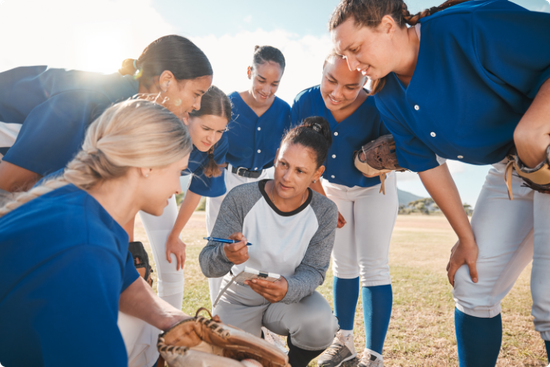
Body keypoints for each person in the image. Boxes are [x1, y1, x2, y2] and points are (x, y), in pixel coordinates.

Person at [329, 0, 550, 366]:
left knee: (547, 300)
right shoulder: (385, 93)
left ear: (387, 25)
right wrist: (465, 238)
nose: (352, 65)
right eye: (343, 55)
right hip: (511, 167)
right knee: (471, 284)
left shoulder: (468, 26)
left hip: (544, 147)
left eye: (355, 49)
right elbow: (428, 165)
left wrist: (532, 128)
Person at [0, 99, 193, 366]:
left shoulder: (81, 207)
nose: (178, 188)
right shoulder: (86, 248)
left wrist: (178, 321)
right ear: (147, 165)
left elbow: (129, 285)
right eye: (178, 172)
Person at [199, 117, 340, 367]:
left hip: (290, 296)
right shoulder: (241, 198)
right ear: (276, 156)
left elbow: (314, 271)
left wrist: (288, 287)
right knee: (229, 362)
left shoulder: (325, 211)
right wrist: (225, 254)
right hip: (241, 294)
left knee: (321, 324)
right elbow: (207, 265)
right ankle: (257, 341)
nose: (287, 177)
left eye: (300, 171)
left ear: (317, 174)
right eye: (283, 164)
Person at [0, 34, 213, 193]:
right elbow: (10, 182)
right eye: (196, 94)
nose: (197, 105)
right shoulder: (89, 101)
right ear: (166, 80)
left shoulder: (126, 110)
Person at [291, 52, 398, 367]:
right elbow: (297, 155)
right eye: (331, 80)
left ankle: (374, 355)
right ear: (321, 71)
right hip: (331, 189)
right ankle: (344, 342)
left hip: (373, 190)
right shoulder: (306, 101)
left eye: (350, 86)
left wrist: (396, 154)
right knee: (344, 265)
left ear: (365, 80)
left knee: (374, 266)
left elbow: (405, 146)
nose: (337, 93)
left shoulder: (379, 104)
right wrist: (322, 199)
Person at [204, 45, 291, 304]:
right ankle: (218, 317)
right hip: (225, 180)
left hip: (263, 183)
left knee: (260, 253)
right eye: (261, 79)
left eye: (275, 83)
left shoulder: (285, 110)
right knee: (220, 250)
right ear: (249, 72)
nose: (267, 89)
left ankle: (255, 320)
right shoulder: (228, 103)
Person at [140, 85, 230, 310]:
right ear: (187, 116)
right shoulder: (160, 129)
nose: (212, 138)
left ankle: (169, 337)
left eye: (220, 131)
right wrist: (129, 242)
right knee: (122, 260)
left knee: (172, 264)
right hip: (130, 186)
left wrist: (175, 235)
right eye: (207, 128)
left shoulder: (216, 146)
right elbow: (127, 185)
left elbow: (196, 189)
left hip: (162, 191)